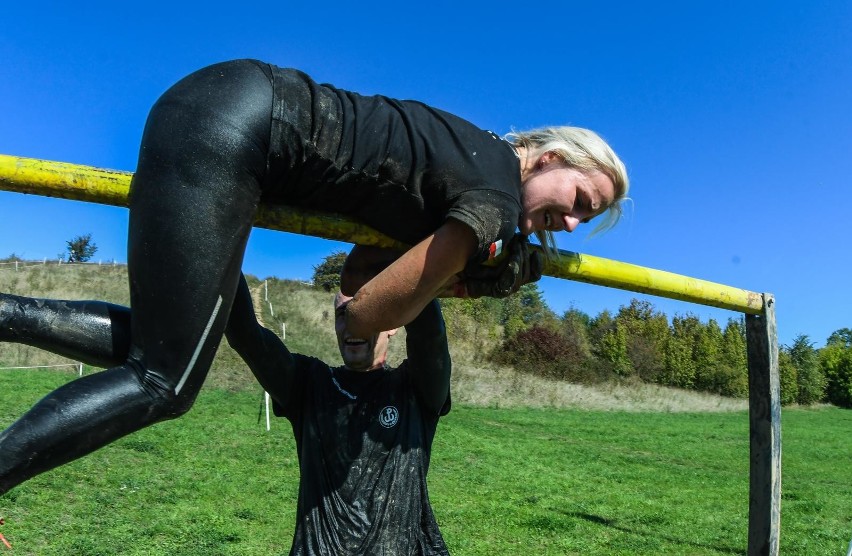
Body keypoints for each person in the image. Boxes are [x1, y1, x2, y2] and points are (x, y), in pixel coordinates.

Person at [0, 58, 629, 496]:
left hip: (221, 104)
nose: (571, 224)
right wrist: (477, 265)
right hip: (243, 127)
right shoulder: (492, 189)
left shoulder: (473, 160)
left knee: (170, 351)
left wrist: (474, 266)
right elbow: (364, 311)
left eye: (585, 217)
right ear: (549, 157)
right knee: (163, 383)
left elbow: (362, 264)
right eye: (579, 198)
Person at [1, 247, 453, 555]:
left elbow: (430, 334)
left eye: (367, 310)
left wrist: (403, 257)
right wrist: (228, 231)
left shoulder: (415, 389)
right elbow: (245, 334)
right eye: (341, 313)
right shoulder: (309, 384)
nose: (351, 322)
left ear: (394, 322)